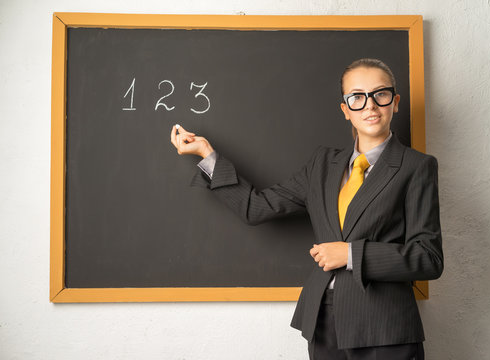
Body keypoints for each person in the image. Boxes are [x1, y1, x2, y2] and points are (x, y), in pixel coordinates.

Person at [170, 58, 443, 360]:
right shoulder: (323, 165)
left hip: (385, 327)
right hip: (324, 319)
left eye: (380, 94)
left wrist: (350, 254)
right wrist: (207, 155)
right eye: (357, 97)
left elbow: (428, 258)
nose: (370, 106)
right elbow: (256, 207)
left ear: (396, 102)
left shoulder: (417, 167)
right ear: (345, 109)